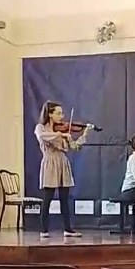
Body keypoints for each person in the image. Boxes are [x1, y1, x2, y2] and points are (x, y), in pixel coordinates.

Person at [34, 100, 91, 238]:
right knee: (47, 198)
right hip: (50, 162)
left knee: (64, 199)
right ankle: (44, 230)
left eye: (62, 113)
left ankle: (67, 229)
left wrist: (85, 134)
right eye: (59, 113)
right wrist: (60, 134)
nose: (62, 116)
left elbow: (75, 146)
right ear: (50, 114)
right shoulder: (41, 128)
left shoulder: (63, 131)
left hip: (62, 162)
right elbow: (42, 136)